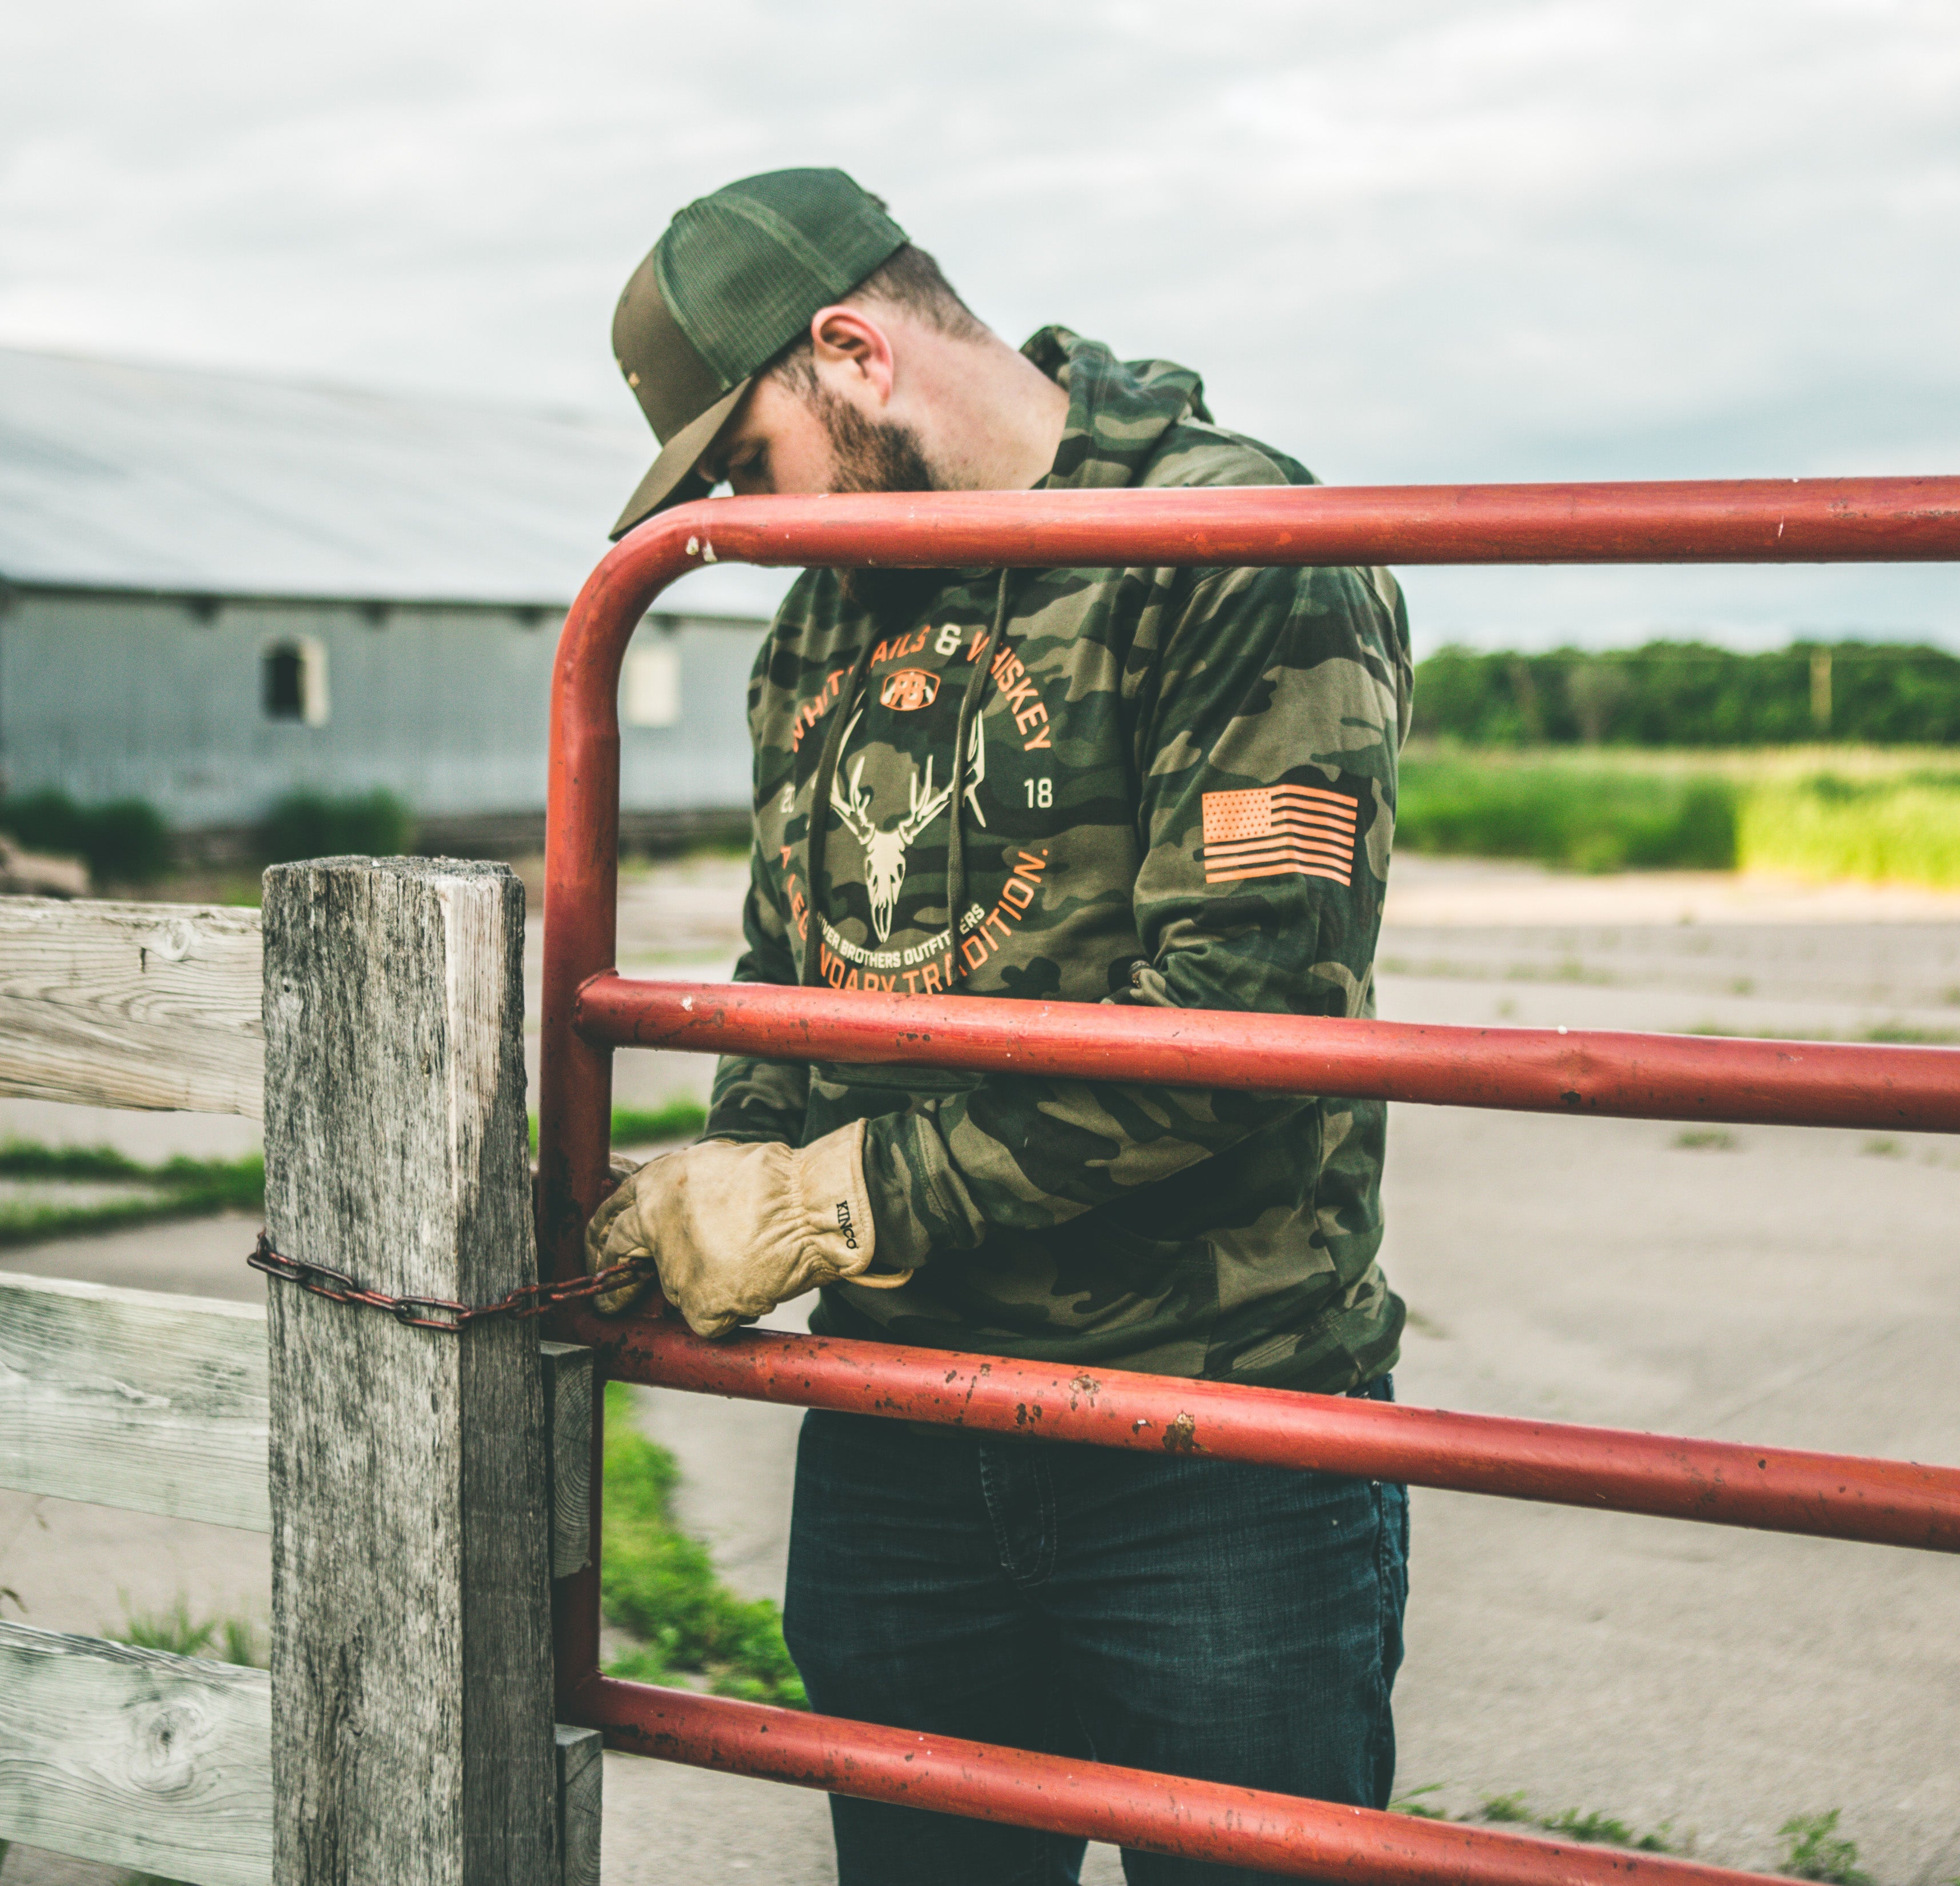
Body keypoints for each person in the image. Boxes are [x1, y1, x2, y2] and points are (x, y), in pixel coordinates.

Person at [588, 167, 1413, 1886]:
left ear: (853, 354)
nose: (742, 515)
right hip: (906, 1433)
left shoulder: (1231, 546)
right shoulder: (822, 609)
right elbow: (783, 958)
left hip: (1211, 1441)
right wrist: (735, 1168)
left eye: (745, 460)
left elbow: (1245, 1022)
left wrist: (838, 1203)